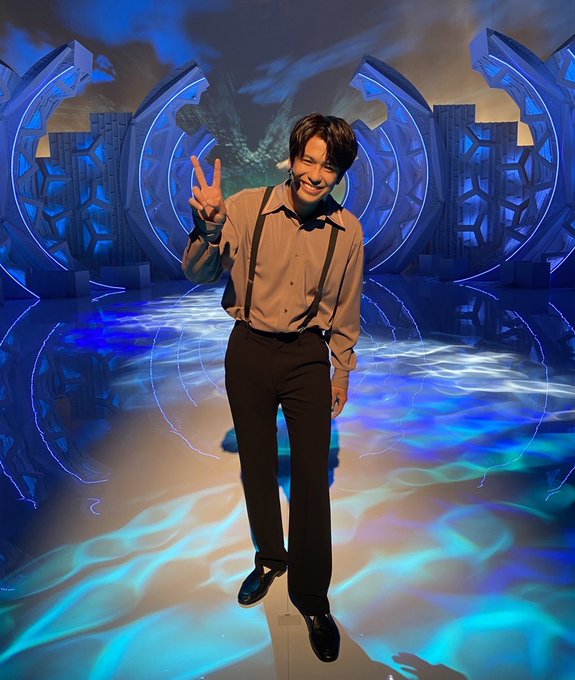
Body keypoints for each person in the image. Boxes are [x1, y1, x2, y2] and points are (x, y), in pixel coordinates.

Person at [182, 113, 363, 663]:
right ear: (293, 158)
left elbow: (346, 307)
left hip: (307, 355)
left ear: (339, 174)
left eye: (328, 167)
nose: (315, 174)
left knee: (311, 477)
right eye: (308, 159)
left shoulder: (348, 231)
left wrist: (341, 369)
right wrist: (208, 229)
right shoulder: (245, 208)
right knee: (257, 466)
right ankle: (269, 560)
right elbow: (198, 273)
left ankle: (312, 597)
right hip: (250, 350)